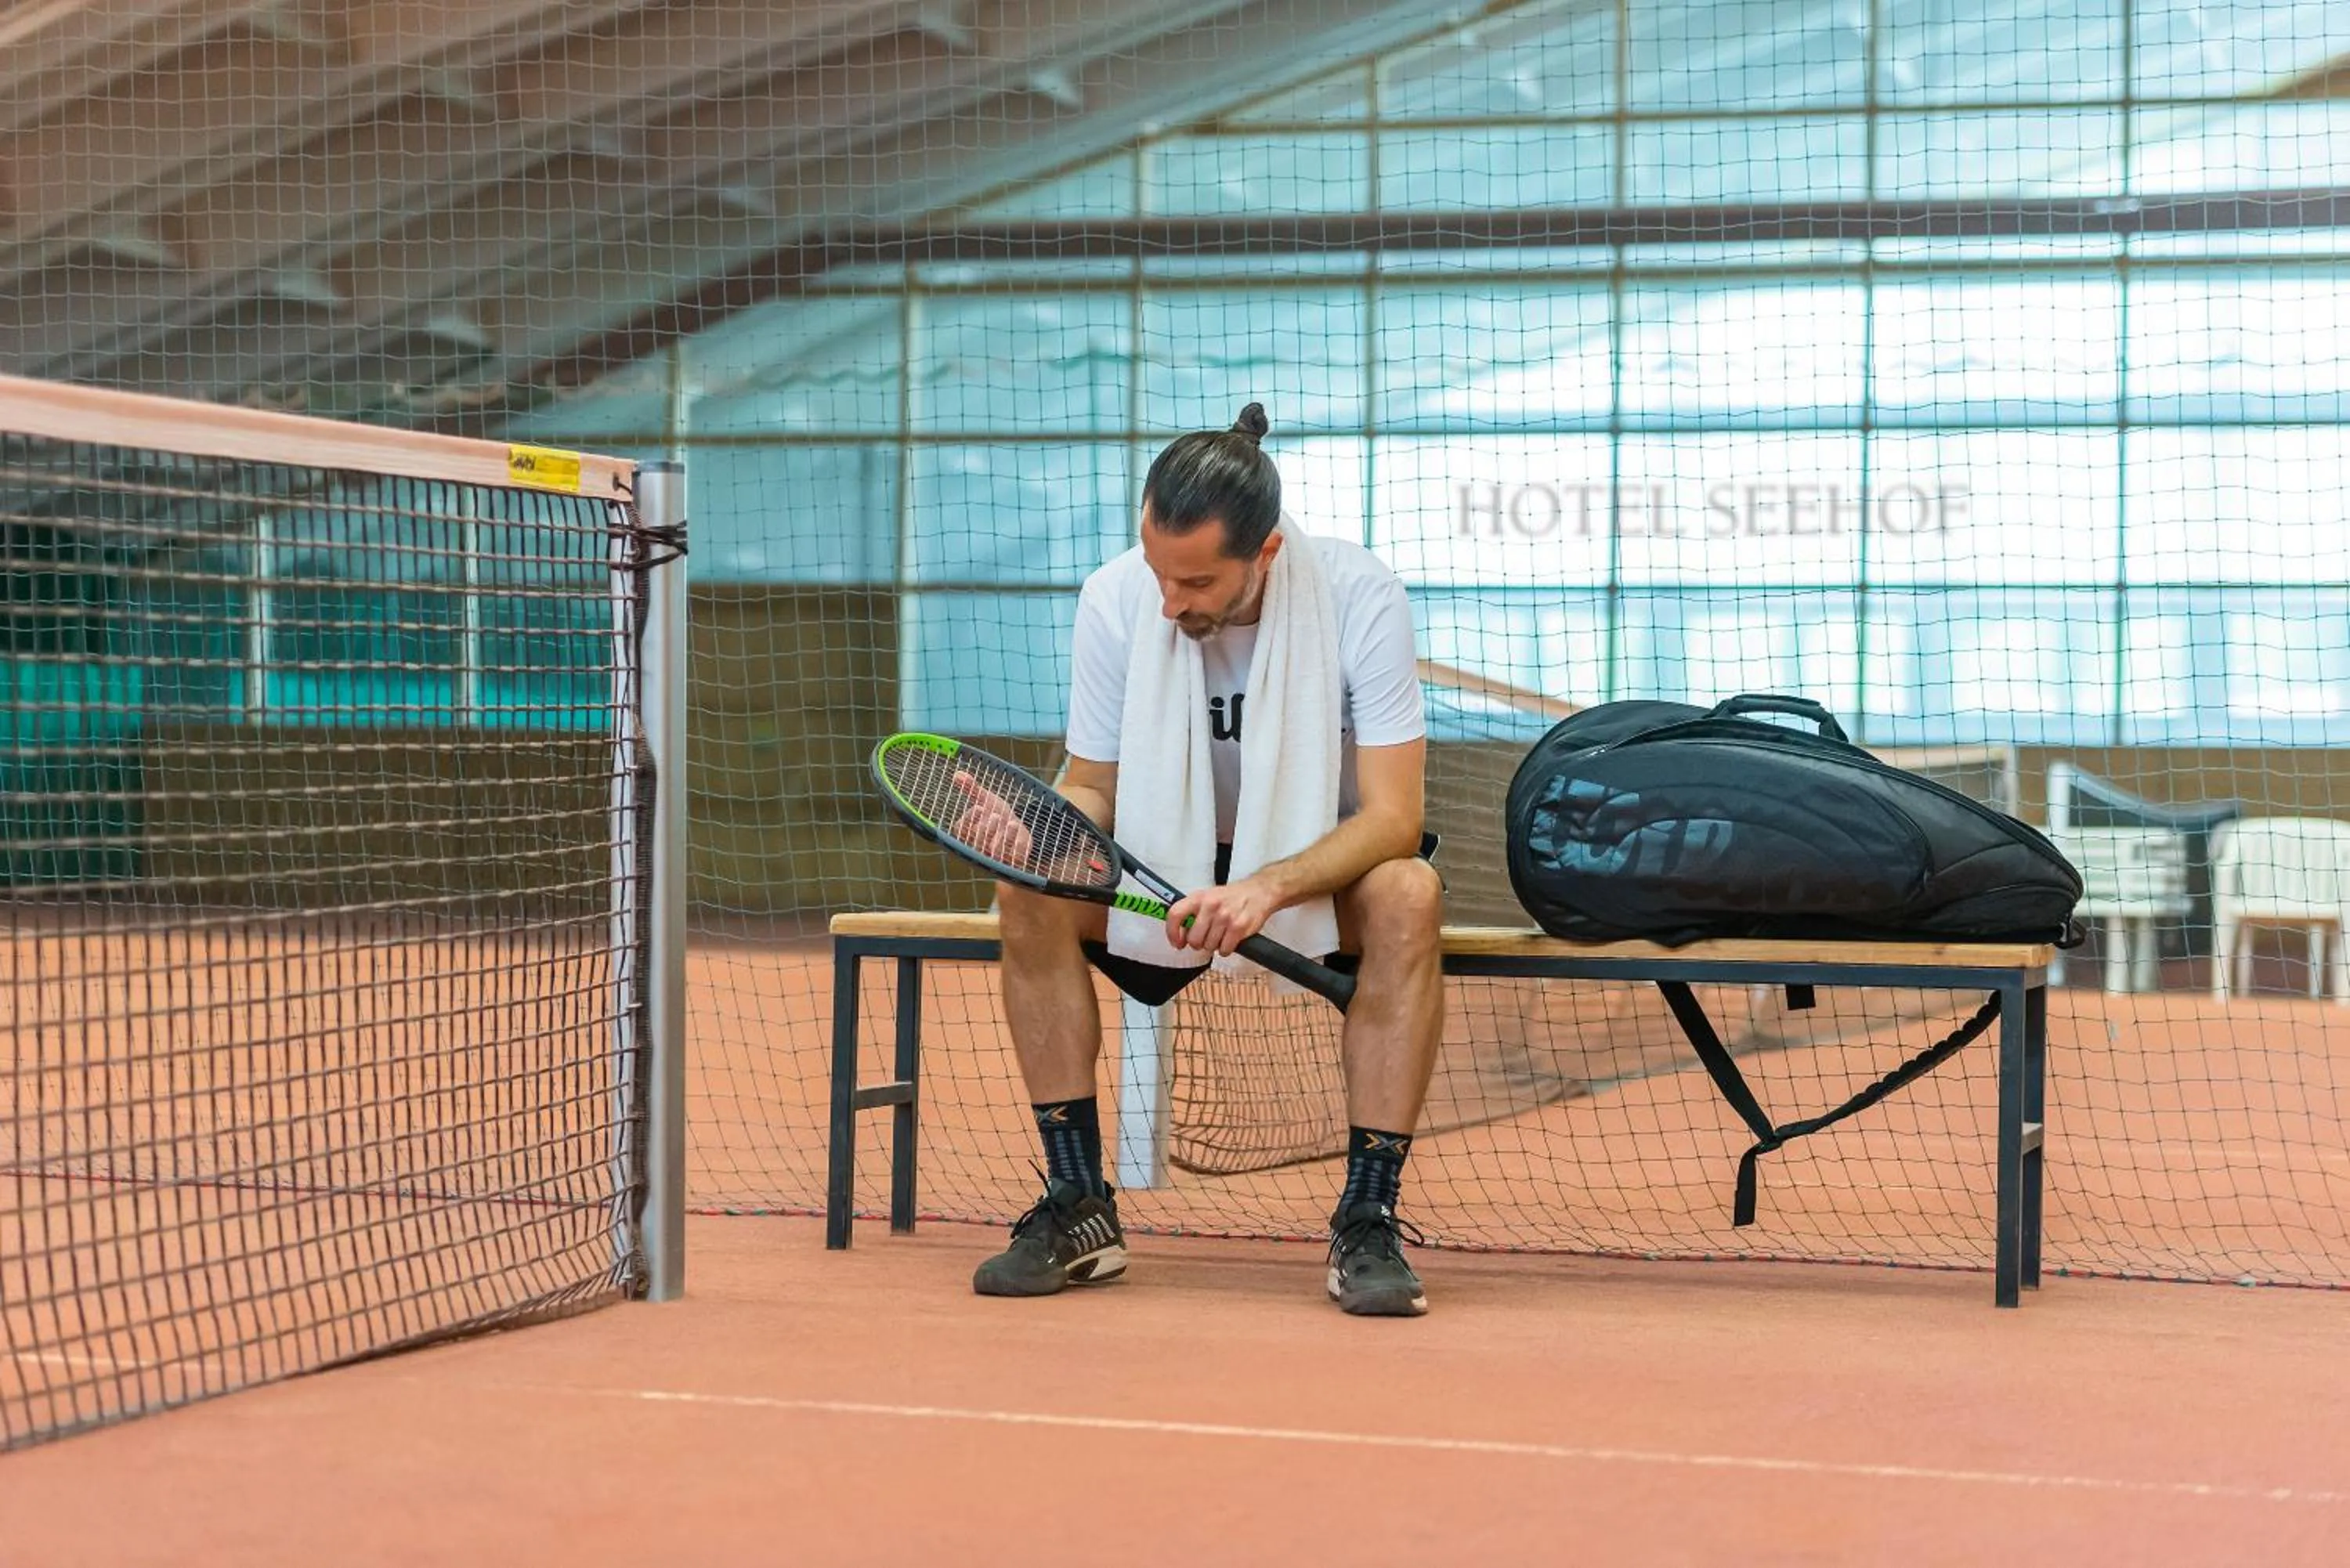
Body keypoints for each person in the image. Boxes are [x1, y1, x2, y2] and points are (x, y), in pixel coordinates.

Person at [966, 402, 1444, 1317]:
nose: (1169, 602)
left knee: (1409, 892)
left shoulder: (1360, 594)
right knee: (1028, 889)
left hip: (1319, 857)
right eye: (1159, 572)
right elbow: (1095, 788)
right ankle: (1078, 1205)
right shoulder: (1115, 599)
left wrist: (1266, 886)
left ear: (1265, 553)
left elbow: (1394, 816)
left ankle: (1368, 1217)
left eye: (1195, 581)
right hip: (1160, 856)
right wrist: (1041, 830)